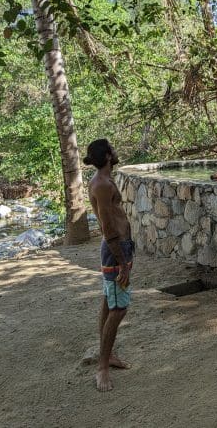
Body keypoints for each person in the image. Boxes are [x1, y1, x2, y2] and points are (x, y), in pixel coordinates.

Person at [84, 139, 135, 392]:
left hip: (120, 249)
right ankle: (102, 367)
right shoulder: (102, 185)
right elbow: (106, 226)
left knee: (109, 301)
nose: (116, 151)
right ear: (106, 156)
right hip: (116, 251)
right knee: (119, 309)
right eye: (112, 149)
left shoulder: (104, 181)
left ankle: (109, 355)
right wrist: (123, 262)